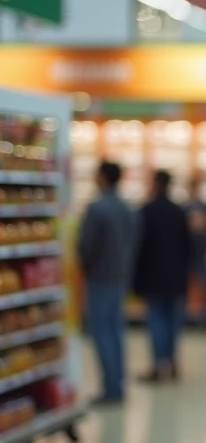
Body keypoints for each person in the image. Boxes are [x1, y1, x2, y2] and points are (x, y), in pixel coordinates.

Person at [77, 161, 138, 405]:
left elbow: (85, 246)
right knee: (115, 330)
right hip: (119, 276)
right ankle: (118, 383)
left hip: (99, 277)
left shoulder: (97, 208)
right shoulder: (128, 208)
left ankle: (110, 389)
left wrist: (84, 263)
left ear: (102, 177)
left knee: (101, 331)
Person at [133, 170, 191, 383]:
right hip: (175, 277)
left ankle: (158, 365)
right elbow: (188, 247)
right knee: (173, 321)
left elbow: (139, 248)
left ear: (156, 183)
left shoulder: (146, 211)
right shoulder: (179, 212)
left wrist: (136, 279)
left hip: (152, 277)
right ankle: (172, 362)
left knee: (156, 320)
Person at [182, 177, 206, 328]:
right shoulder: (185, 208)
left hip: (201, 252)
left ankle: (205, 318)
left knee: (205, 287)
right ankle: (185, 316)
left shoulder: (204, 207)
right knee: (186, 288)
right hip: (188, 253)